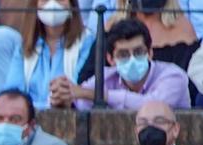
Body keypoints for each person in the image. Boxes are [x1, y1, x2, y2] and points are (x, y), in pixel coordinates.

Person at [53, 19, 190, 110]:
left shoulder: (174, 76)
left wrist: (101, 95)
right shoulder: (105, 77)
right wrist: (63, 98)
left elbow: (152, 107)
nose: (132, 59)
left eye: (138, 52)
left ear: (150, 53)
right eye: (123, 54)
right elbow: (81, 102)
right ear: (111, 59)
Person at [0, 0, 94, 110]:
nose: (52, 4)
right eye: (45, 0)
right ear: (35, 5)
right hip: (27, 119)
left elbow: (76, 89)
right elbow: (14, 91)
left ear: (72, 5)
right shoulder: (25, 46)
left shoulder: (87, 42)